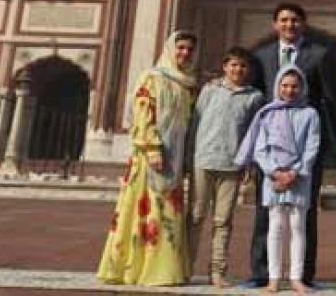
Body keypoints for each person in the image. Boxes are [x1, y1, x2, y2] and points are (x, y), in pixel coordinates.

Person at [246, 3, 336, 288]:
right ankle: (262, 274)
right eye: (283, 20)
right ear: (274, 25)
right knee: (264, 212)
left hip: (306, 140)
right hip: (270, 143)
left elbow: (331, 98)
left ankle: (303, 276)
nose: (289, 25)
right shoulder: (262, 56)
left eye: (294, 20)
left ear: (303, 23)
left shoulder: (318, 55)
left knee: (304, 214)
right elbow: (254, 101)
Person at [97, 31, 199, 287]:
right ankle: (136, 268)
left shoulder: (187, 84)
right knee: (147, 208)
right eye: (180, 48)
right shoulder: (153, 78)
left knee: (167, 212)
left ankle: (163, 270)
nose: (185, 54)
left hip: (173, 158)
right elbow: (143, 112)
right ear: (169, 49)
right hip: (149, 157)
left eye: (189, 50)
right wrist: (152, 146)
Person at [235, 65, 320, 295]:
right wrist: (275, 172)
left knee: (297, 227)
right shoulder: (267, 113)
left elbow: (312, 147)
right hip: (273, 178)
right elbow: (260, 149)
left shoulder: (310, 113)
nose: (290, 90)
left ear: (302, 87)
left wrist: (294, 172)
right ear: (277, 87)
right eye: (285, 85)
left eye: (294, 86)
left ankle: (295, 278)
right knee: (275, 227)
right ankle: (273, 279)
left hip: (300, 177)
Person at [187, 47, 265, 288]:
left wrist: (249, 163)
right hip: (203, 160)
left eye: (242, 66)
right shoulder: (210, 90)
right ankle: (185, 267)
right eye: (233, 65)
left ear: (248, 69)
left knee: (223, 221)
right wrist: (188, 159)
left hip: (232, 165)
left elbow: (253, 133)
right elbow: (196, 123)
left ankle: (217, 271)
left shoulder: (254, 97)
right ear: (225, 66)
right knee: (196, 216)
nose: (237, 70)